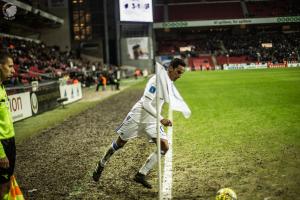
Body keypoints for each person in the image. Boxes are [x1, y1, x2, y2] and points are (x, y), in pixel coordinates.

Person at [92, 58, 186, 189]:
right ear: (170, 68)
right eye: (178, 72)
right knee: (120, 143)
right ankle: (101, 163)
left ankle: (141, 174)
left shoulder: (168, 82)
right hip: (138, 116)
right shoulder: (155, 80)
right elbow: (146, 103)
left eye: (181, 73)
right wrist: (161, 118)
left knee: (164, 146)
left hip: (152, 120)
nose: (179, 76)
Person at [0, 52, 16, 199]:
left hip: (10, 140)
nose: (13, 70)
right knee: (3, 185)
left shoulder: (2, 87)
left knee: (7, 181)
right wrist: (1, 153)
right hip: (2, 145)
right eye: (10, 66)